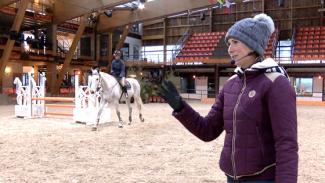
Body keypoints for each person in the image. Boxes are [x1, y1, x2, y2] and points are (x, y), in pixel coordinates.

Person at [158, 13, 298, 183]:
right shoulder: (231, 84)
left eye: (235, 42)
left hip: (262, 177)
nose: (230, 49)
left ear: (253, 45)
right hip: (231, 177)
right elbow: (208, 130)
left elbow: (286, 144)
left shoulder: (276, 83)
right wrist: (180, 107)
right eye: (229, 43)